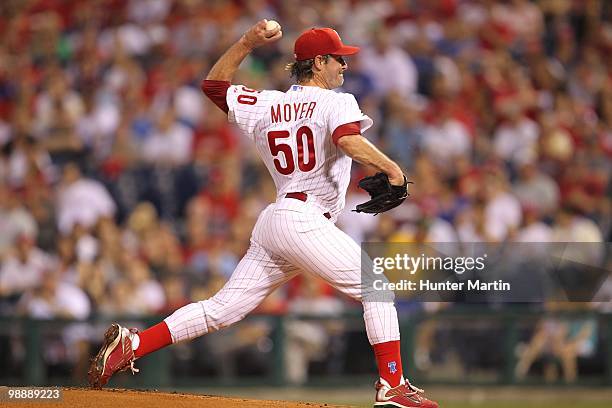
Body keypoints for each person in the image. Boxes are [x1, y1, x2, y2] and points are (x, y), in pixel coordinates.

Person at [88, 20, 438, 408]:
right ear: (319, 62)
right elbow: (347, 140)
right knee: (377, 287)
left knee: (221, 309)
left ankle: (133, 345)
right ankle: (392, 385)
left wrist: (246, 41)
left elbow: (214, 86)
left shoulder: (267, 103)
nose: (344, 66)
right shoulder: (338, 101)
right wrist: (392, 169)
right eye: (338, 59)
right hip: (305, 219)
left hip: (278, 219)